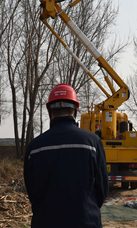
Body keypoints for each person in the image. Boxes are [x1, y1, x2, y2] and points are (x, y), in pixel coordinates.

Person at [24, 83, 109, 228]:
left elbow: (32, 191)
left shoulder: (34, 147)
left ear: (48, 110)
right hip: (86, 222)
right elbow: (102, 188)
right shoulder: (92, 142)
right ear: (76, 109)